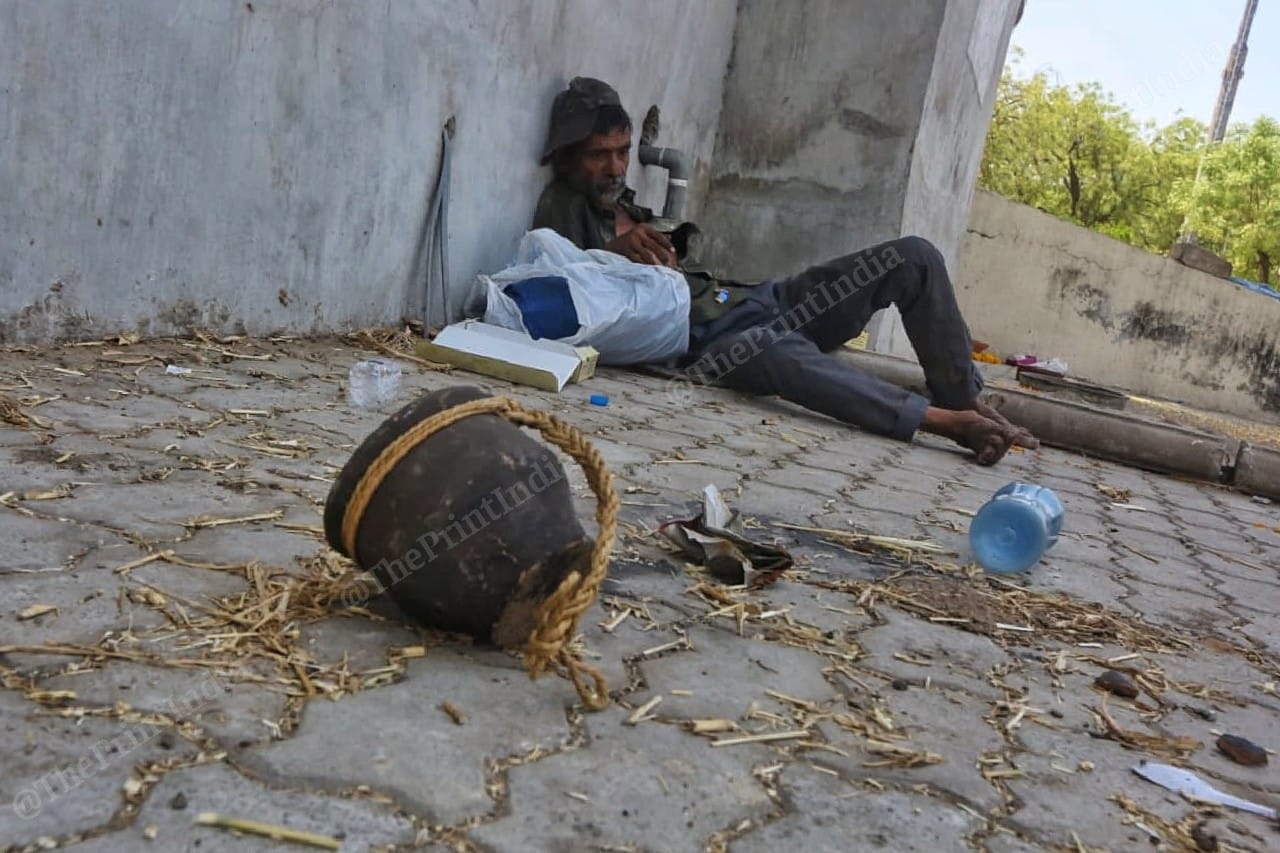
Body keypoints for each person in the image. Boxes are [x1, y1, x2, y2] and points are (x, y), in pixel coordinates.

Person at [532, 77, 1036, 465]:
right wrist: (615, 255)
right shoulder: (560, 210)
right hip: (708, 349)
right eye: (600, 155)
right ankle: (943, 421)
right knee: (772, 349)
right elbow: (564, 296)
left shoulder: (629, 204)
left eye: (622, 152)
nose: (618, 167)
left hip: (763, 300)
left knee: (912, 256)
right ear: (566, 156)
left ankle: (967, 400)